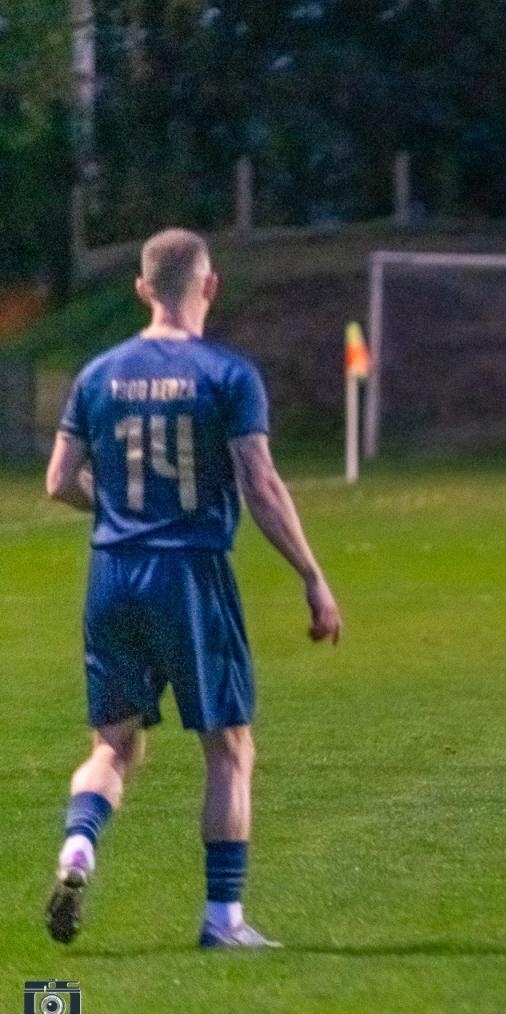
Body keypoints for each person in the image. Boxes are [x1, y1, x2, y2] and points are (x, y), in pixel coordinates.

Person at [43, 228, 342, 948]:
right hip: (191, 573)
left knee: (113, 745)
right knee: (228, 747)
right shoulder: (226, 374)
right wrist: (312, 574)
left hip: (113, 574)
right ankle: (223, 920)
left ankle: (80, 844)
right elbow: (261, 485)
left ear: (143, 289)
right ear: (209, 285)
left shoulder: (98, 374)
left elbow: (57, 481)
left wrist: (118, 508)